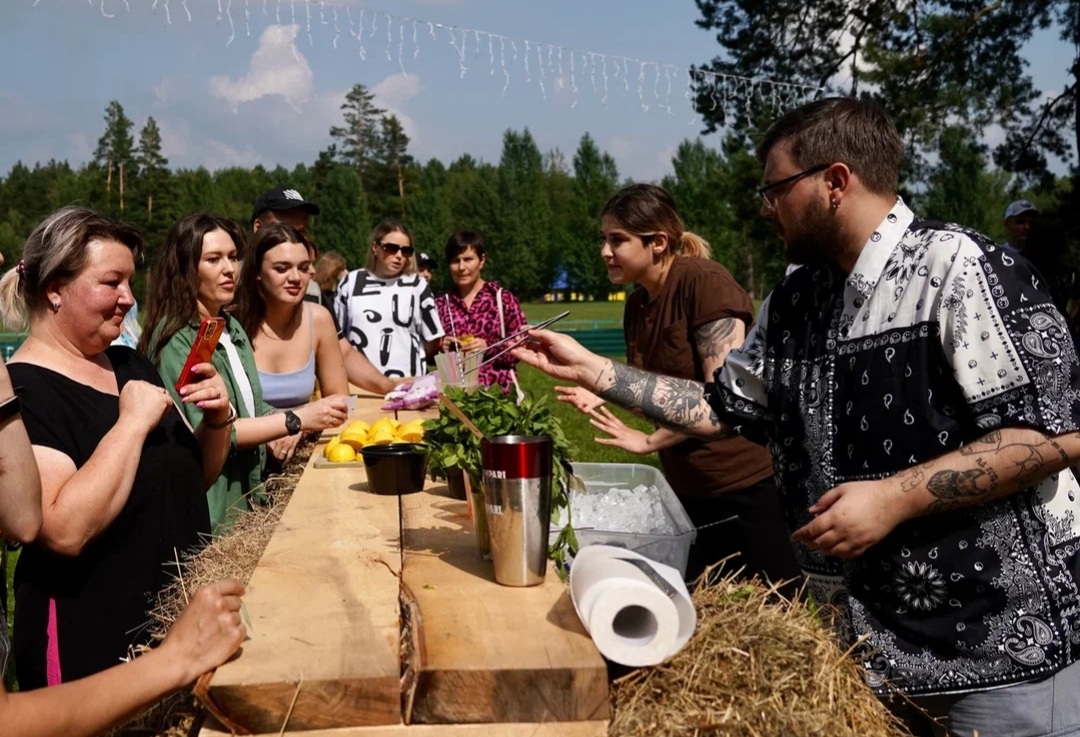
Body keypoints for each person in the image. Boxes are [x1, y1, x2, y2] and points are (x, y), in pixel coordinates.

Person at [513, 98, 1080, 736]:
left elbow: (1056, 432)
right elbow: (719, 406)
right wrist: (595, 370)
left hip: (996, 657)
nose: (765, 206)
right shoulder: (797, 298)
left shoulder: (961, 269)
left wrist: (894, 498)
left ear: (835, 183)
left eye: (776, 188)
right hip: (871, 657)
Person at [0, 207, 233, 689]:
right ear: (54, 290)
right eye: (112, 282)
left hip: (177, 631)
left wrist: (216, 422)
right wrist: (130, 424)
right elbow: (61, 529)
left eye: (130, 281)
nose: (129, 298)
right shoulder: (24, 392)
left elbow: (191, 480)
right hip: (93, 643)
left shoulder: (129, 364)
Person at [560, 184, 800, 587]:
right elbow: (659, 395)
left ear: (657, 242)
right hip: (688, 489)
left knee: (768, 617)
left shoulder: (703, 282)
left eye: (617, 240)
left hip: (746, 489)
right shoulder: (637, 305)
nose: (605, 251)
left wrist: (649, 442)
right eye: (604, 239)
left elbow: (725, 400)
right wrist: (599, 386)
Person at [139, 213, 348, 533]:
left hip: (249, 504)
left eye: (234, 257)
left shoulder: (229, 327)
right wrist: (296, 419)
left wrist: (284, 430)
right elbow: (211, 432)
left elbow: (249, 406)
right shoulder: (177, 340)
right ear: (185, 268)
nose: (228, 269)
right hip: (211, 517)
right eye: (213, 259)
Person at [252, 188, 397, 395]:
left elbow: (342, 352)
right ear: (258, 227)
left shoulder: (310, 291)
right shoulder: (228, 289)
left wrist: (390, 387)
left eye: (300, 231)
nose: (292, 238)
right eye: (284, 227)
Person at [232, 223, 349, 464]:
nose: (295, 278)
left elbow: (341, 401)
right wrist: (289, 422)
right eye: (282, 268)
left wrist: (298, 427)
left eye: (303, 268)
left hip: (298, 461)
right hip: (243, 465)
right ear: (257, 271)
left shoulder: (318, 319)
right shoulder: (232, 324)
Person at [336, 219, 445, 378]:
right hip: (359, 384)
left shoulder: (417, 285)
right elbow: (336, 338)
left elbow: (434, 339)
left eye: (406, 251)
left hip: (408, 385)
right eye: (391, 249)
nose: (399, 256)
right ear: (375, 248)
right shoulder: (350, 282)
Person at [434, 230, 526, 393]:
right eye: (455, 261)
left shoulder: (502, 299)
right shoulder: (441, 304)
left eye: (468, 259)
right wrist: (443, 347)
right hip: (457, 397)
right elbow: (431, 354)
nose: (461, 267)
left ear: (481, 261)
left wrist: (488, 347)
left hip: (498, 397)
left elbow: (521, 347)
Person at [313, 250, 347, 316]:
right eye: (343, 269)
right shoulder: (332, 300)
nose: (346, 272)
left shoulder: (315, 291)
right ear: (336, 271)